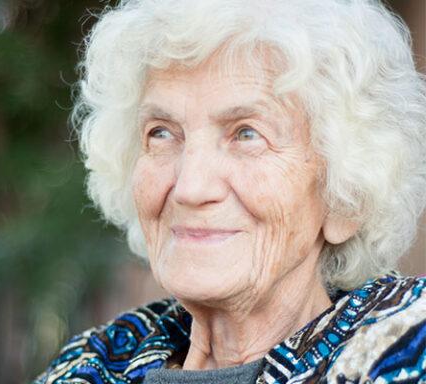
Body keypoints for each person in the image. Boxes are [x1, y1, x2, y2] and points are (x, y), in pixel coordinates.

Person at [33, 0, 426, 383]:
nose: (190, 187)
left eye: (247, 134)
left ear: (346, 197)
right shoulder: (91, 364)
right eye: (162, 133)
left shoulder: (406, 349)